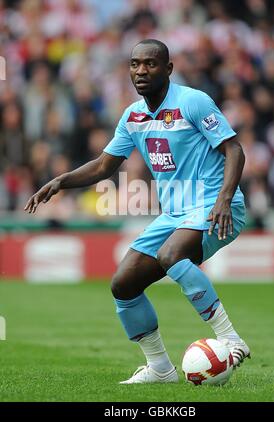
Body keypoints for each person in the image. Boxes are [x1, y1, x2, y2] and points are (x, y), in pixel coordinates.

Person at [25, 39, 250, 384]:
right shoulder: (133, 116)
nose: (141, 71)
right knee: (123, 284)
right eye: (134, 64)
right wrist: (61, 180)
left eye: (150, 64)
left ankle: (231, 339)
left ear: (168, 68)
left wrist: (223, 198)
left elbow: (234, 149)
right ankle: (160, 368)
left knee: (170, 254)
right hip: (176, 214)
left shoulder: (192, 102)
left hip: (218, 205)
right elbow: (103, 166)